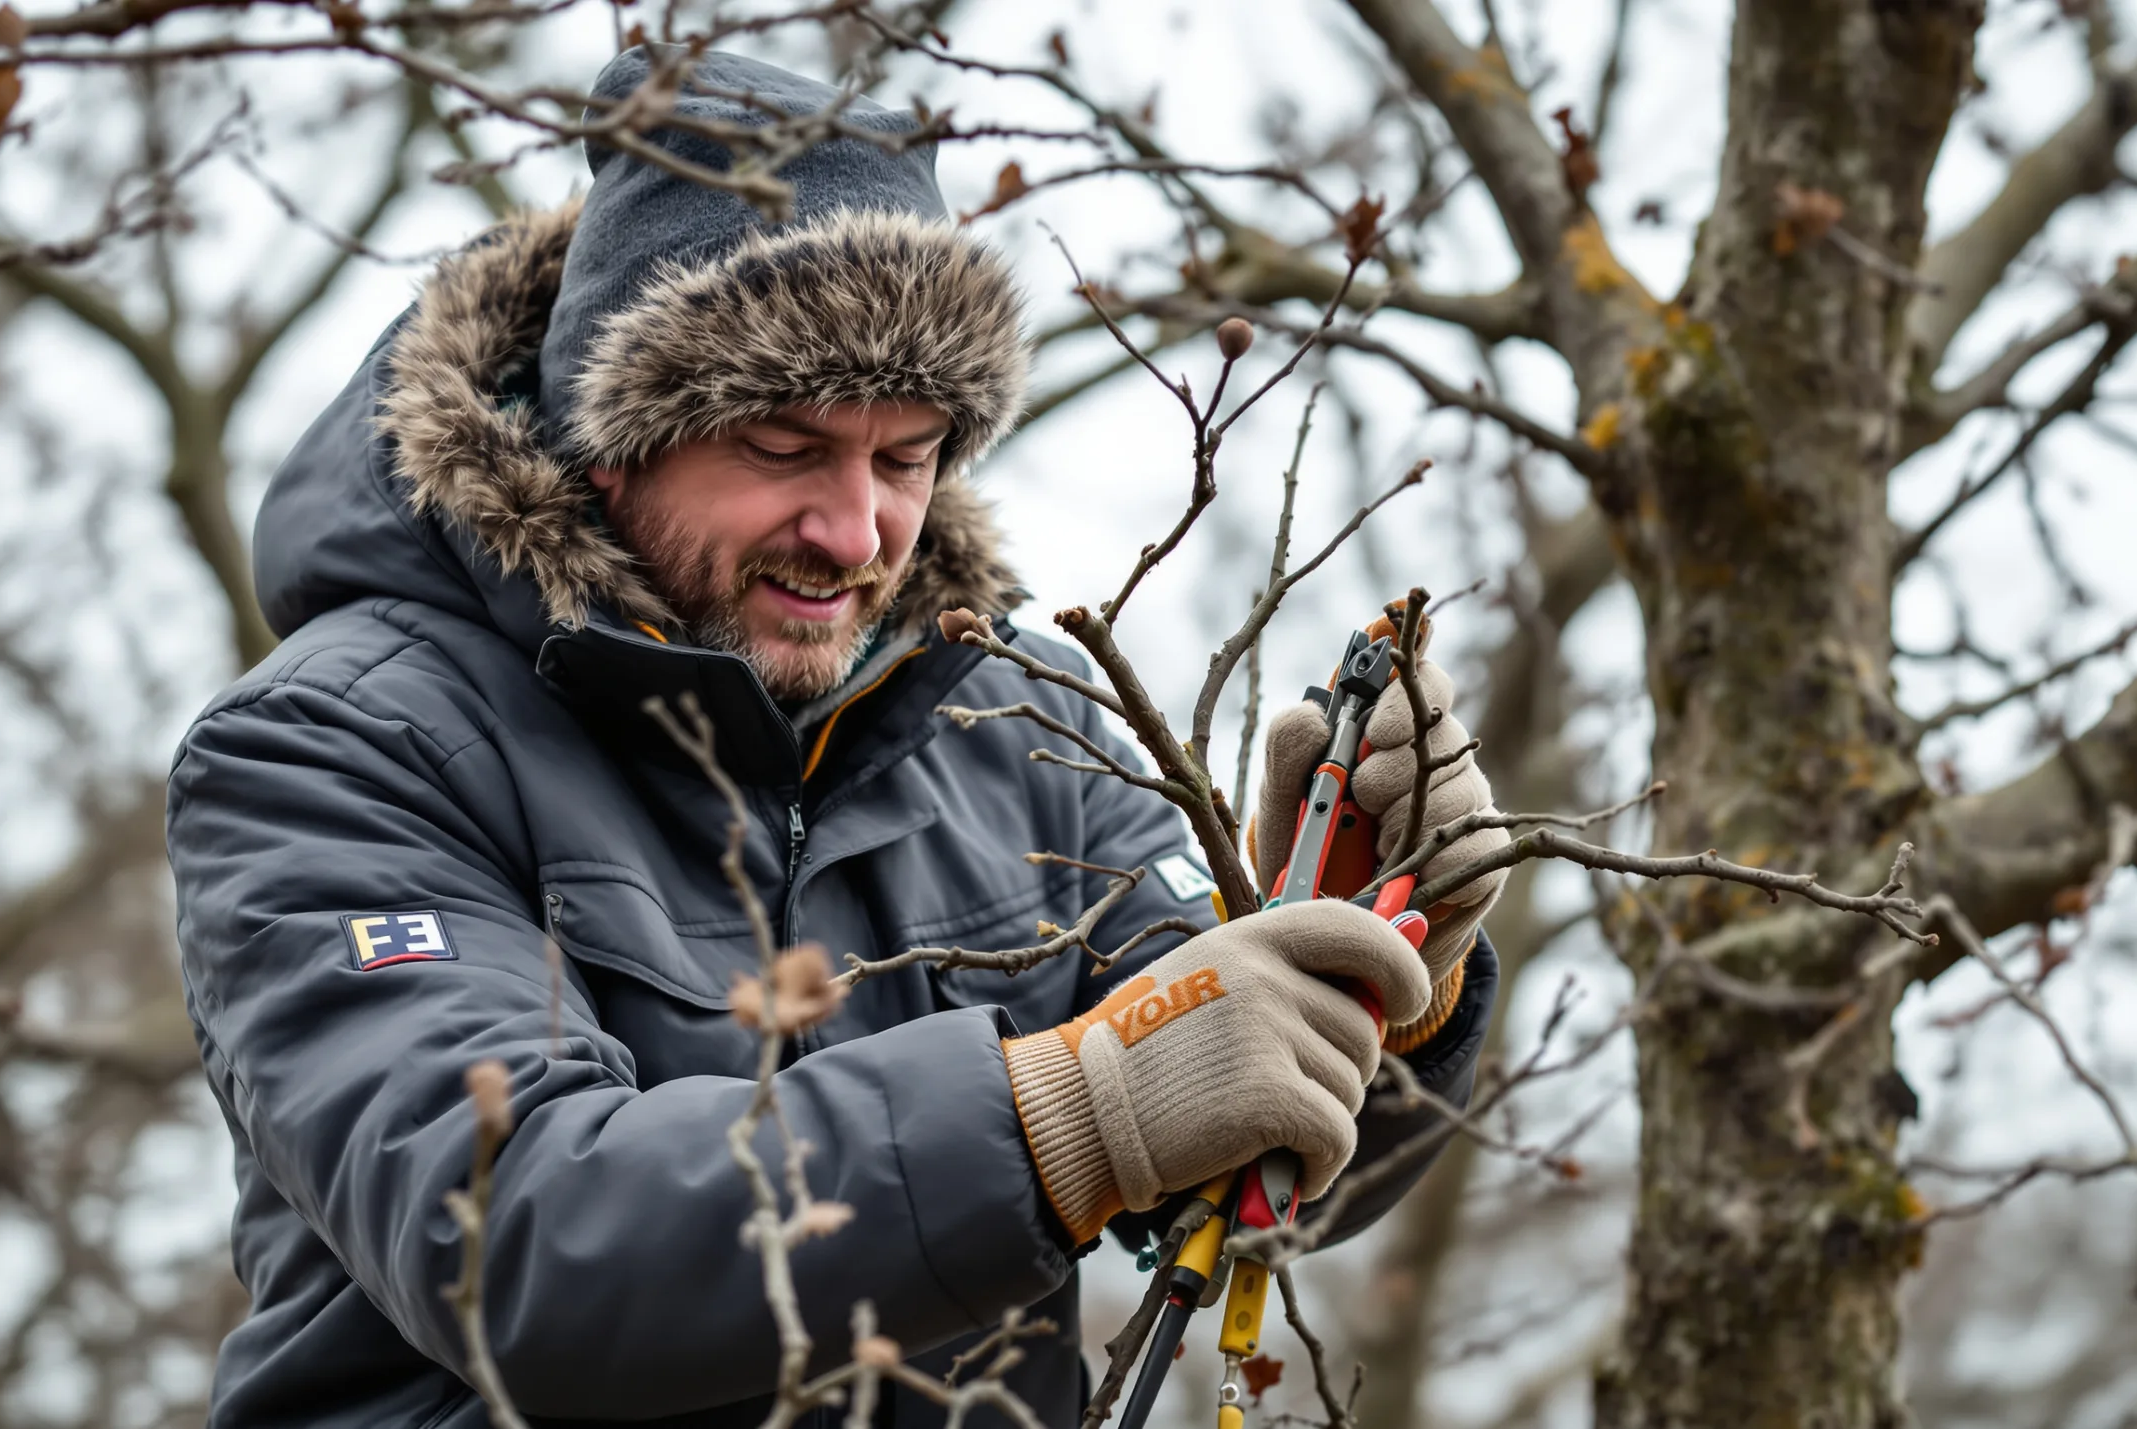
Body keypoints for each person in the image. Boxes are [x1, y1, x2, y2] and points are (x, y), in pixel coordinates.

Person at [166, 45, 1511, 1429]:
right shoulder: (331, 746)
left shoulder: (1017, 712)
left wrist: (1380, 949)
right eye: (786, 447)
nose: (855, 531)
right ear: (609, 434)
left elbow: (1238, 1182)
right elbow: (520, 1244)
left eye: (906, 457)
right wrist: (1077, 1115)